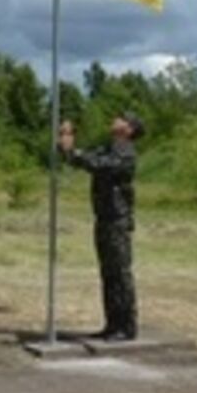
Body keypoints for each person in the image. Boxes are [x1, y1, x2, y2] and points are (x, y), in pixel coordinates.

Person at [58, 112, 143, 341]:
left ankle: (126, 327)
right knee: (108, 274)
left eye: (121, 118)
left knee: (120, 274)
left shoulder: (125, 152)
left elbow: (100, 165)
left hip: (117, 219)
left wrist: (75, 152)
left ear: (129, 129)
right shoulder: (109, 147)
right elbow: (83, 159)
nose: (115, 120)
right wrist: (67, 143)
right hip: (104, 218)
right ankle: (113, 324)